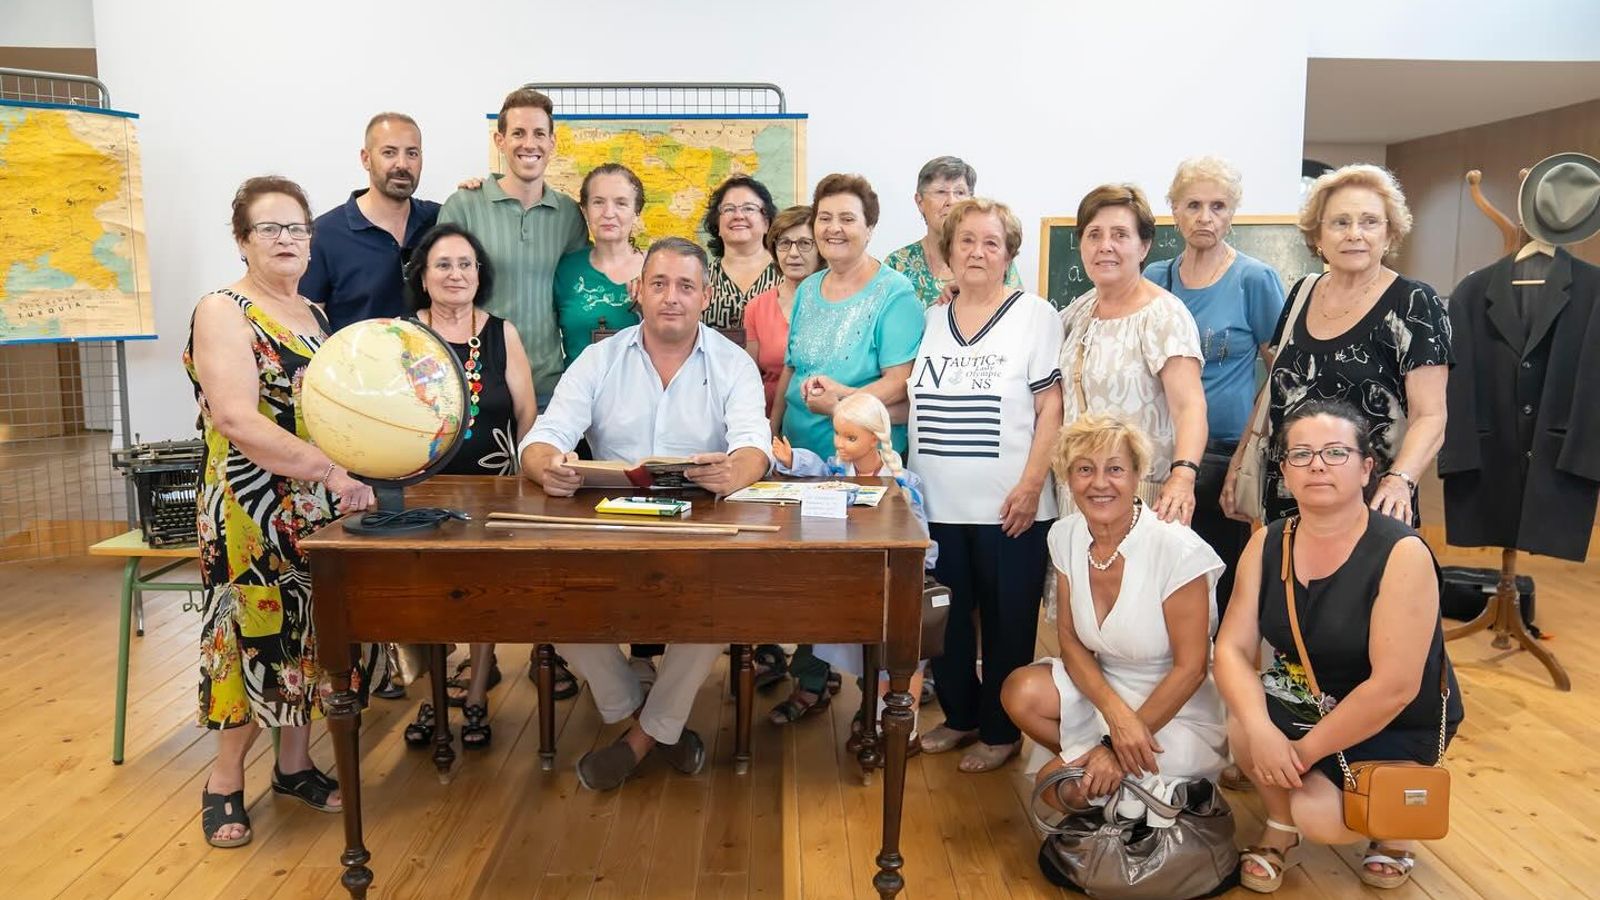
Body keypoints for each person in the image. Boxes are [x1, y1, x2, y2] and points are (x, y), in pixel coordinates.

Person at [518, 237, 772, 791]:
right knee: (548, 604)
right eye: (659, 284)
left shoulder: (733, 363)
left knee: (717, 605)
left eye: (685, 286)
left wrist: (737, 471)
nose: (671, 298)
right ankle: (654, 723)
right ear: (638, 292)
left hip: (701, 529)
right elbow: (544, 437)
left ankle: (637, 738)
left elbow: (756, 444)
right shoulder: (599, 358)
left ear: (706, 296)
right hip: (610, 524)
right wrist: (548, 468)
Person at [185, 176, 378, 848]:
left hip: (316, 507)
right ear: (242, 240)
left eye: (297, 228)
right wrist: (329, 468)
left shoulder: (314, 314)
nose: (287, 239)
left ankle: (294, 768)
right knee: (249, 641)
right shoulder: (224, 309)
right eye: (270, 228)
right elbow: (237, 418)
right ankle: (225, 782)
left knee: (303, 642)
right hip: (251, 508)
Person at [1214, 400, 1463, 892]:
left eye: (1335, 452)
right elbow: (1231, 650)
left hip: (1391, 718)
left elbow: (1393, 688)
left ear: (1368, 467)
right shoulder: (1267, 542)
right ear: (1283, 470)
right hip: (1309, 694)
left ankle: (1393, 832)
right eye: (1300, 454)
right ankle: (1279, 827)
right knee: (1243, 725)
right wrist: (1263, 732)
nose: (1317, 465)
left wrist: (1300, 754)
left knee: (1321, 817)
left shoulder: (1401, 551)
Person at [908, 198, 1064, 773]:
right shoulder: (930, 318)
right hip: (938, 505)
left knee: (1007, 624)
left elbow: (1053, 406)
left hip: (1010, 507)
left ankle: (1001, 732)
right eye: (966, 240)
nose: (977, 251)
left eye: (991, 243)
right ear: (948, 250)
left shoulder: (1035, 314)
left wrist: (1030, 485)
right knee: (944, 621)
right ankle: (960, 716)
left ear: (1008, 254)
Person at [1002, 415, 1227, 809]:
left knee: (1060, 787)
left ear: (1138, 474)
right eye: (1084, 469)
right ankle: (1115, 779)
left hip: (1174, 703)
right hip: (1106, 688)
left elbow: (1191, 669)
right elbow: (1071, 642)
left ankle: (1151, 784)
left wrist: (1118, 743)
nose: (1100, 483)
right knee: (1020, 691)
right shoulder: (1066, 533)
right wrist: (1115, 718)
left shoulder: (1177, 549)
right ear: (1068, 478)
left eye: (1115, 469)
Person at [768, 173, 925, 725]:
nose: (834, 229)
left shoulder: (895, 293)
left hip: (862, 459)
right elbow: (793, 365)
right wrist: (773, 424)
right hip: (803, 453)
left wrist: (843, 401)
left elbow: (900, 380)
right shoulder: (810, 289)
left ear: (870, 226)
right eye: (825, 218)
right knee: (810, 570)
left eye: (847, 218)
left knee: (863, 578)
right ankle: (813, 678)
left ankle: (876, 702)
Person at [1224, 164, 1450, 527]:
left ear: (1390, 234)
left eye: (1370, 222)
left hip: (1371, 502)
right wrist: (1239, 461)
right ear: (1318, 237)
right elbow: (1274, 385)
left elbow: (1431, 416)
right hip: (1288, 497)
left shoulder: (1414, 302)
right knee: (1283, 582)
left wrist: (1399, 481)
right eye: (1340, 223)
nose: (1354, 234)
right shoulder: (1302, 292)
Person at [396, 223, 537, 750]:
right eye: (443, 265)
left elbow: (526, 413)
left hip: (493, 487)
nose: (456, 274)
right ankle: (434, 698)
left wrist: (527, 479)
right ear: (424, 277)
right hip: (421, 490)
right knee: (428, 601)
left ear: (480, 274)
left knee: (481, 597)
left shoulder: (502, 332)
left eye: (466, 264)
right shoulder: (402, 334)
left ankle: (476, 693)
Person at [1142, 158, 1284, 610]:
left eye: (1218, 206)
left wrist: (1247, 456)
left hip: (1224, 456)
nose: (1206, 217)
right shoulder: (1154, 278)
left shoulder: (1254, 280)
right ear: (1175, 211)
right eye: (1194, 205)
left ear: (1232, 212)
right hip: (1158, 454)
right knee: (1156, 581)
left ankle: (1211, 674)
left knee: (1214, 582)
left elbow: (1279, 372)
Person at [771, 392, 935, 752]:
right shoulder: (836, 471)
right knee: (836, 636)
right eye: (838, 434)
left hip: (889, 580)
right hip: (847, 579)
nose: (840, 445)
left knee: (885, 653)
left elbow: (921, 539)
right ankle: (848, 701)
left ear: (874, 438)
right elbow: (815, 467)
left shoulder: (902, 482)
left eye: (851, 438)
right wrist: (792, 458)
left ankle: (880, 720)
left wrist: (914, 568)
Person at [1058, 184, 1207, 526]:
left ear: (1144, 246)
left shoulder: (1164, 315)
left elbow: (1190, 407)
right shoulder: (1078, 312)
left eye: (1120, 234)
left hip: (1142, 498)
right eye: (1094, 234)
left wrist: (1183, 477)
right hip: (1077, 496)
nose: (1105, 246)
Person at [437, 87, 588, 407]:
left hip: (547, 385)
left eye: (539, 134)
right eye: (518, 133)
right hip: (475, 380)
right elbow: (439, 297)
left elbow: (580, 291)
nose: (529, 144)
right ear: (500, 140)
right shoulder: (464, 205)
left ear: (552, 142)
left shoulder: (568, 215)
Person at [300, 112, 441, 332]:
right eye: (389, 153)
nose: (402, 164)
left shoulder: (440, 220)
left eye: (412, 153)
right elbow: (307, 326)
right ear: (366, 159)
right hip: (354, 364)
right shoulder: (325, 234)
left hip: (433, 364)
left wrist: (474, 196)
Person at [884, 156, 1022, 306]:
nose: (951, 201)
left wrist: (972, 291)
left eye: (960, 193)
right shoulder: (897, 264)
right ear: (920, 202)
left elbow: (1016, 311)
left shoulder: (993, 259)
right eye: (941, 192)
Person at [554, 164, 645, 367]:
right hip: (579, 395)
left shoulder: (658, 270)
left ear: (636, 211)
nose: (608, 213)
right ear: (585, 210)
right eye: (598, 202)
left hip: (645, 395)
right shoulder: (565, 270)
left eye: (621, 203)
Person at [746, 204, 819, 419]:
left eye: (805, 243)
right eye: (785, 243)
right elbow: (749, 377)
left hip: (820, 414)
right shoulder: (756, 307)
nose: (793, 253)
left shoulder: (836, 302)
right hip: (767, 417)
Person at [701, 175, 781, 329]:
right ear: (717, 224)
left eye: (749, 208)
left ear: (766, 222)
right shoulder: (701, 279)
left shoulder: (787, 275)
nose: (738, 216)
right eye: (729, 209)